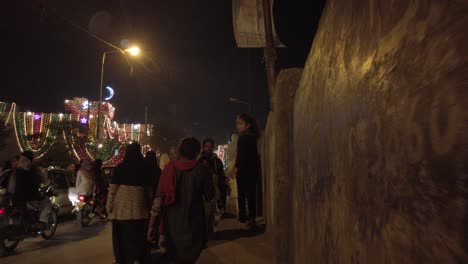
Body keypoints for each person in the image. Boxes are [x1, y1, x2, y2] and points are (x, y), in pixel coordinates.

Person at [148, 138, 214, 264]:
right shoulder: (202, 170)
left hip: (171, 227)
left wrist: (152, 225)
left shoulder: (168, 169)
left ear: (180, 151)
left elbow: (158, 199)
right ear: (197, 152)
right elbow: (209, 196)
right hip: (194, 226)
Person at [106, 143, 153, 264]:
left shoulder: (120, 168)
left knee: (121, 240)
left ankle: (122, 260)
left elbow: (112, 190)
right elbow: (149, 192)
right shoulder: (145, 169)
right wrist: (149, 208)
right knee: (137, 239)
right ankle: (137, 259)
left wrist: (109, 206)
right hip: (139, 211)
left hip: (121, 211)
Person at [234, 114, 260, 229]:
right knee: (251, 195)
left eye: (240, 123)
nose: (237, 126)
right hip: (253, 170)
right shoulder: (254, 138)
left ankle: (243, 218)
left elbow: (241, 156)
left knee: (242, 195)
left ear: (248, 125)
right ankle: (252, 218)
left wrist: (235, 168)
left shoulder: (243, 138)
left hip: (243, 171)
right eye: (237, 123)